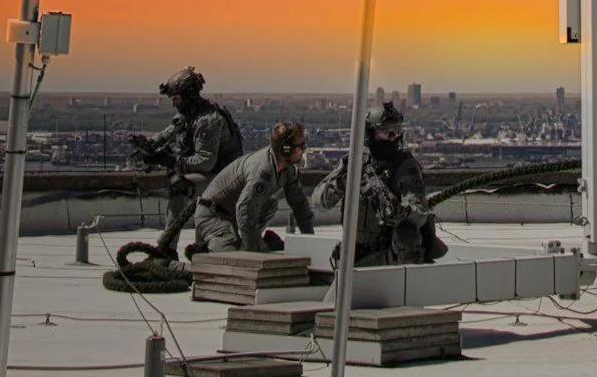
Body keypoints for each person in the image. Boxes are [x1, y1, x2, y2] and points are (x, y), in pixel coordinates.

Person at [313, 102, 447, 267]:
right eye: (385, 132)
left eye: (396, 131)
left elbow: (419, 208)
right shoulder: (356, 161)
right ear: (370, 134)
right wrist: (340, 184)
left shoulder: (405, 166)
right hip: (357, 253)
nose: (392, 137)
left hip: (389, 256)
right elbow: (319, 202)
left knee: (407, 234)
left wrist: (403, 213)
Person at [132, 68, 244, 262]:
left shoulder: (208, 120)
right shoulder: (189, 115)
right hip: (214, 176)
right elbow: (167, 134)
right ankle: (191, 247)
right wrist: (148, 147)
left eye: (177, 99)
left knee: (181, 188)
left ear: (189, 96)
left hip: (224, 179)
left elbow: (205, 162)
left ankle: (168, 249)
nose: (174, 104)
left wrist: (172, 161)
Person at [186, 122, 315, 255]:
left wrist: (311, 242)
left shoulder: (288, 171)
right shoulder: (263, 170)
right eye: (301, 146)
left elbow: (300, 205)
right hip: (214, 215)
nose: (303, 150)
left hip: (233, 213)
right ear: (286, 148)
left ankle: (244, 244)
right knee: (232, 261)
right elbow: (245, 210)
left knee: (271, 204)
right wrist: (258, 250)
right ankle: (210, 249)